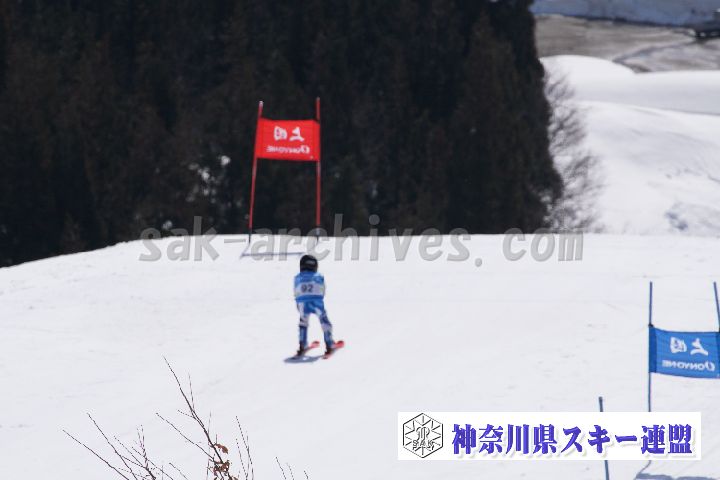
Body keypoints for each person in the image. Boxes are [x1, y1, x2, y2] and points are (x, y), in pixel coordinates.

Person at [294, 254, 336, 356]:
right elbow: (323, 290)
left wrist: (298, 305)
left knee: (303, 322)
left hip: (302, 303)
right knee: (324, 321)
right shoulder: (318, 276)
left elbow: (296, 292)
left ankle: (302, 344)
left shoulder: (297, 278)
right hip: (316, 302)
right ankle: (329, 343)